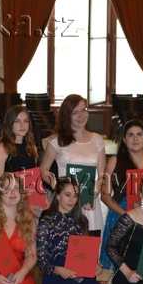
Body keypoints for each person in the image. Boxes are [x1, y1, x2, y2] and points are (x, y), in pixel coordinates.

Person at [100, 119, 143, 270]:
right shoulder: (114, 161)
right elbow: (105, 195)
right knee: (116, 265)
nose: (135, 139)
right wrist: (127, 215)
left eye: (139, 134)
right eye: (131, 135)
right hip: (121, 216)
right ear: (124, 139)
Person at [39, 94, 106, 232]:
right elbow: (44, 168)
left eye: (84, 110)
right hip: (65, 202)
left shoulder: (97, 140)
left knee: (88, 242)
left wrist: (94, 193)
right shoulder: (56, 140)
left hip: (89, 202)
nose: (81, 115)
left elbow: (102, 174)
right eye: (75, 112)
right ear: (67, 115)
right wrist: (58, 187)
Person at [0, 104, 46, 217]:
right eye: (17, 121)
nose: (22, 125)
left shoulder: (32, 148)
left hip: (30, 200)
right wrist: (22, 205)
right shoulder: (2, 148)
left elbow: (34, 179)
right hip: (11, 202)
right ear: (9, 124)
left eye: (26, 121)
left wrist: (42, 195)